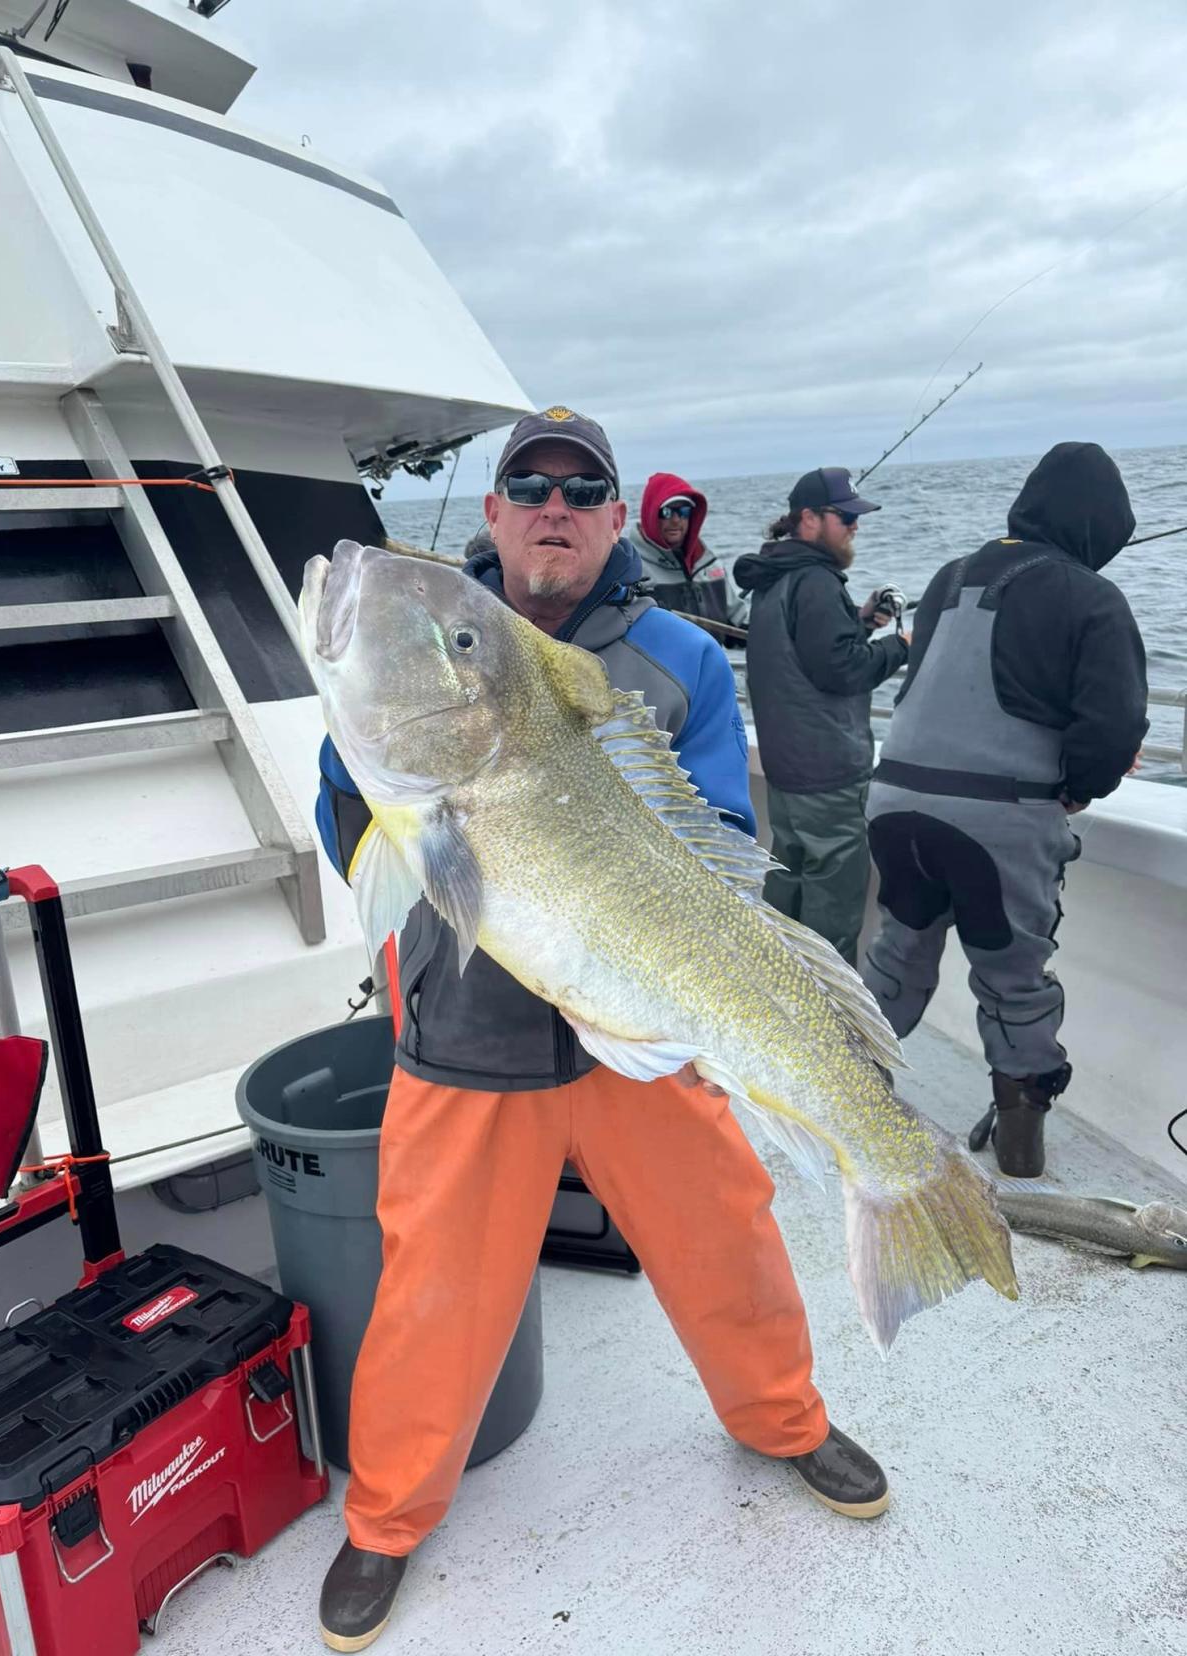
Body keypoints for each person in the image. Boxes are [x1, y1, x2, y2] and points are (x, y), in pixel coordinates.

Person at [314, 409, 889, 1653]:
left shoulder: (682, 653)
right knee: (432, 1297)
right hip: (465, 1037)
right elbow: (346, 831)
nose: (556, 506)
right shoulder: (420, 648)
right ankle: (387, 1517)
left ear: (619, 518)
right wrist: (378, 782)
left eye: (586, 490)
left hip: (642, 1023)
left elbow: (722, 840)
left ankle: (784, 1419)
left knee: (728, 1242)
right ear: (495, 514)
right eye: (531, 485)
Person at [860, 442, 1147, 1178]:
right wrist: (1081, 785)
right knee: (1014, 981)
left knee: (899, 952)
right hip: (997, 820)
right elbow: (1111, 731)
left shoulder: (951, 573)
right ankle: (1020, 1151)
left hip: (894, 801)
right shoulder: (1092, 596)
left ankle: (845, 1097)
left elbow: (919, 685)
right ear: (1100, 526)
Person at [734, 467, 908, 966]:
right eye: (846, 516)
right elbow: (843, 670)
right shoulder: (815, 580)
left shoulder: (777, 576)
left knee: (786, 891)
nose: (855, 526)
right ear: (808, 518)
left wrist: (858, 621)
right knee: (833, 913)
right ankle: (832, 1026)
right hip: (829, 778)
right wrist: (900, 645)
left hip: (788, 773)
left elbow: (806, 650)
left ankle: (777, 993)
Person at [631, 471, 748, 635]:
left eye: (684, 512)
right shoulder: (631, 568)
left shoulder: (708, 563)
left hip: (711, 658)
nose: (676, 520)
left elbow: (739, 621)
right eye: (667, 512)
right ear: (651, 514)